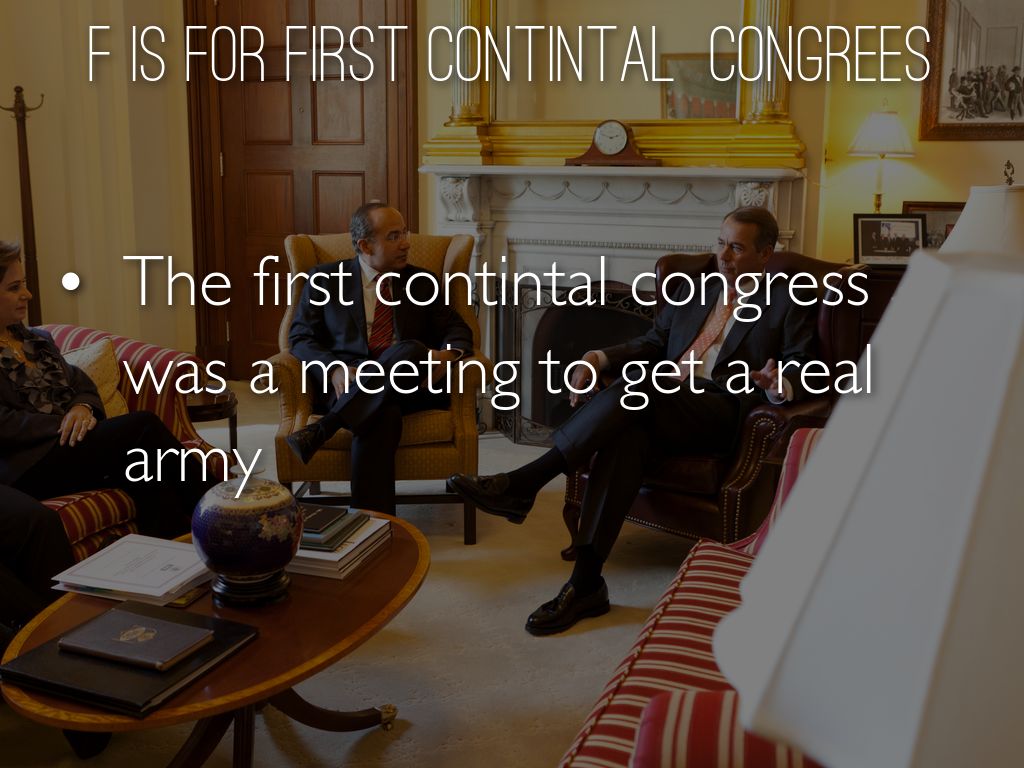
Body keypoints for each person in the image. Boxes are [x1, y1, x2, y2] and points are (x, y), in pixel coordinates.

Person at [449, 207, 818, 635]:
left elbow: (805, 367)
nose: (723, 256)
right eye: (721, 243)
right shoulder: (698, 287)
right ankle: (586, 583)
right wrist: (597, 357)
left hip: (721, 411)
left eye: (736, 247)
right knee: (627, 436)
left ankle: (527, 480)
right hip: (660, 403)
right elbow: (655, 340)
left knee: (641, 386)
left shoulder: (789, 299)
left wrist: (777, 384)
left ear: (765, 253)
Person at [0, 241, 215, 545]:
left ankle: (172, 550)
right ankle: (225, 512)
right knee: (142, 426)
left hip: (72, 447)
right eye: (14, 288)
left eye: (24, 284)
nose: (27, 294)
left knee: (140, 467)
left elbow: (81, 383)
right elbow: (5, 423)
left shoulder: (38, 339)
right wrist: (64, 424)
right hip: (29, 467)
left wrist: (82, 409)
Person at [286, 202, 473, 513]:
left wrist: (448, 354)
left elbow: (458, 329)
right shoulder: (325, 280)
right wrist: (333, 369)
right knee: (382, 415)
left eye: (405, 233)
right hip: (347, 383)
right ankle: (374, 524)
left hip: (411, 383)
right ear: (365, 245)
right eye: (394, 236)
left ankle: (325, 428)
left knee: (412, 350)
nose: (406, 243)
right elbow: (300, 338)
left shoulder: (421, 282)